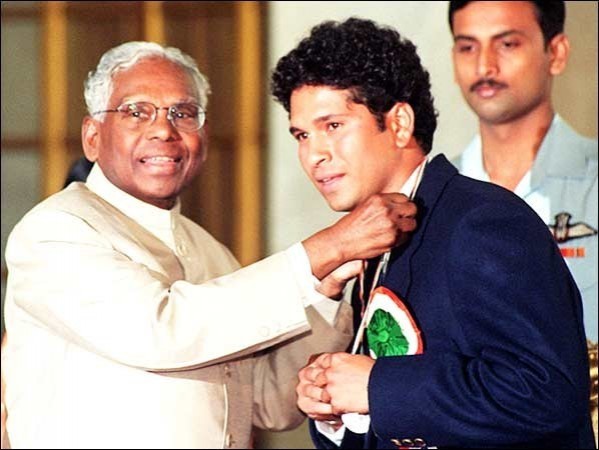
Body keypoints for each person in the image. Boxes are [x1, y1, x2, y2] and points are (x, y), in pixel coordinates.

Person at [0, 41, 419, 449]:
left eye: (183, 113)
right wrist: (323, 251)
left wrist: (325, 291)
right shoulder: (55, 231)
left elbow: (270, 403)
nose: (163, 130)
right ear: (92, 136)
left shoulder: (209, 251)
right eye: (136, 111)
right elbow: (162, 331)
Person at [270, 17, 595, 448]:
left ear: (400, 123)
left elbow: (546, 392)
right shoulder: (378, 242)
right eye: (301, 135)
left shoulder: (482, 221)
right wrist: (334, 407)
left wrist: (375, 386)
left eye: (333, 126)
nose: (313, 154)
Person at [448, 1, 598, 442]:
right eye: (467, 47)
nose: (484, 66)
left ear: (557, 52)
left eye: (507, 44)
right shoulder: (433, 198)